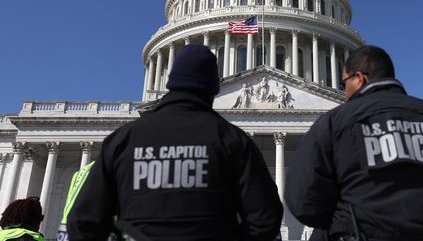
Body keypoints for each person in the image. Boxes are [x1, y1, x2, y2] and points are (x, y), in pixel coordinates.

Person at [67, 44, 283, 241]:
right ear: (214, 87)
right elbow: (266, 218)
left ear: (171, 81)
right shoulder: (232, 140)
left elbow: (84, 220)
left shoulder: (123, 140)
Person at [285, 45, 423, 241]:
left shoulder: (333, 123)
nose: (343, 92)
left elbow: (303, 202)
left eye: (344, 84)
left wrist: (342, 220)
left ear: (359, 78)